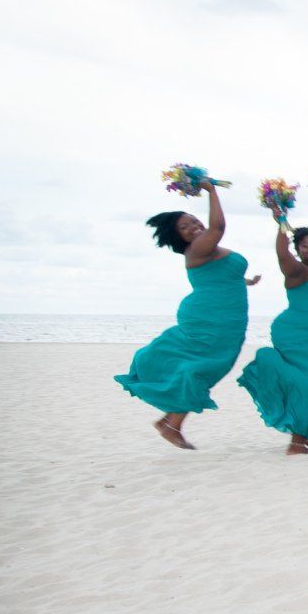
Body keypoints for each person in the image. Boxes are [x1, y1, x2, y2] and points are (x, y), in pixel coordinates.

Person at [115, 178, 250, 449]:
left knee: (212, 366)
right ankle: (172, 425)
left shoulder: (209, 251)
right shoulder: (199, 248)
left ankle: (168, 421)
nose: (193, 227)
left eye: (192, 220)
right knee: (204, 367)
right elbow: (219, 226)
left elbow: (220, 277)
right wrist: (211, 190)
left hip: (227, 319)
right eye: (184, 227)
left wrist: (246, 282)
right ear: (179, 237)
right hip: (209, 318)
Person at [236, 214, 308, 454]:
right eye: (305, 246)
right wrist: (281, 223)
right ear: (298, 250)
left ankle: (307, 437)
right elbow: (282, 255)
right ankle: (296, 443)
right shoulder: (297, 270)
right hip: (297, 335)